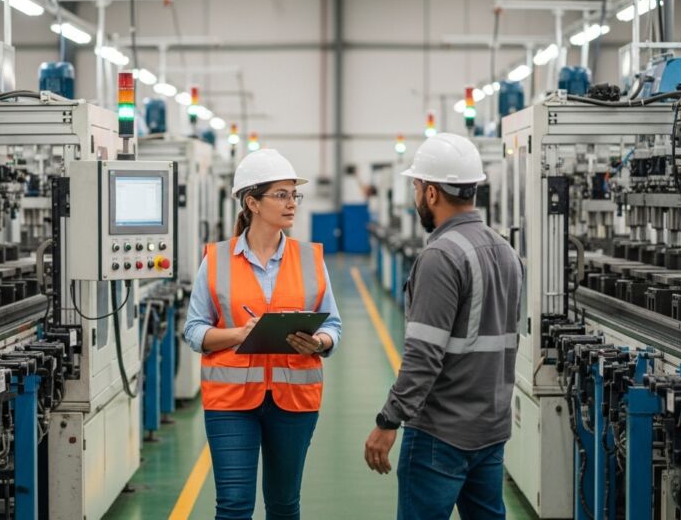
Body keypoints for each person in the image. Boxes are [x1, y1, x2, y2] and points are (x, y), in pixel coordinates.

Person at [363, 133, 524, 520]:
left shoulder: (441, 256)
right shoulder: (507, 252)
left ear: (432, 193)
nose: (416, 195)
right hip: (491, 428)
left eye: (417, 186)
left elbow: (423, 355)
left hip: (441, 433)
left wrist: (389, 420)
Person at [183, 148, 342, 520]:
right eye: (281, 195)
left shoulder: (310, 258)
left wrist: (319, 343)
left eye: (294, 195)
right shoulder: (217, 259)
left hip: (295, 400)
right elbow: (193, 330)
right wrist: (239, 334)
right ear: (252, 202)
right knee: (235, 505)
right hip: (231, 403)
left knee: (284, 505)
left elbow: (333, 325)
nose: (292, 204)